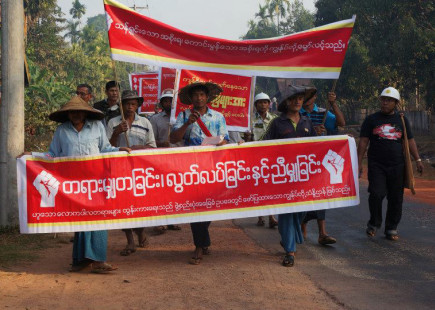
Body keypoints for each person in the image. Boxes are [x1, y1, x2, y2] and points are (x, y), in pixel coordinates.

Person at [47, 96, 130, 273]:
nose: (75, 114)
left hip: (96, 181)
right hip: (74, 184)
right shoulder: (62, 131)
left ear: (85, 113)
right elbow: (52, 155)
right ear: (67, 114)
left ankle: (98, 261)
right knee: (80, 220)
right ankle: (80, 260)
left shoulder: (97, 127)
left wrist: (119, 150)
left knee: (99, 218)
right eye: (71, 112)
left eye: (78, 111)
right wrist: (31, 157)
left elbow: (105, 149)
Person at [170, 82, 229, 265]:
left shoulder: (218, 117)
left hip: (212, 167)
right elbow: (173, 138)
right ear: (191, 99)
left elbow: (224, 140)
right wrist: (188, 123)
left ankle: (204, 241)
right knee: (195, 205)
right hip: (191, 168)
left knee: (210, 204)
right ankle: (199, 245)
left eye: (202, 95)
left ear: (207, 97)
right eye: (195, 95)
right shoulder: (183, 115)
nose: (199, 98)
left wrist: (211, 142)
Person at [357, 87, 423, 241]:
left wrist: (418, 160)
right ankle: (374, 223)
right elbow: (363, 143)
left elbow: (409, 141)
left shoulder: (401, 120)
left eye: (389, 100)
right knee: (376, 194)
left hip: (398, 165)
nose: (385, 103)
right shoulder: (371, 120)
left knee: (396, 198)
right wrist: (359, 162)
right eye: (383, 99)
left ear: (396, 103)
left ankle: (391, 228)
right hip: (377, 164)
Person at [263, 85, 317, 267]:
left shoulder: (307, 122)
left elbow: (318, 147)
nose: (297, 101)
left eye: (300, 98)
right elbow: (263, 146)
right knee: (286, 213)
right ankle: (290, 251)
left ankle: (290, 238)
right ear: (286, 102)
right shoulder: (277, 123)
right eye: (293, 98)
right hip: (283, 176)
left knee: (301, 211)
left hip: (303, 176)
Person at [106, 90, 157, 255]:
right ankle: (129, 240)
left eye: (133, 104)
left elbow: (152, 147)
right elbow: (106, 147)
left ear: (138, 106)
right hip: (119, 170)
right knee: (122, 205)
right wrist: (116, 133)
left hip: (139, 170)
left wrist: (137, 149)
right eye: (127, 103)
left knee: (140, 204)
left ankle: (141, 230)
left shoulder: (145, 122)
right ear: (121, 105)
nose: (130, 107)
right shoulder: (113, 122)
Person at [299, 87, 345, 245]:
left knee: (320, 195)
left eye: (310, 96)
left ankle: (322, 233)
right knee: (304, 195)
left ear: (315, 97)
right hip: (303, 160)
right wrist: (312, 131)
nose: (307, 99)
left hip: (320, 159)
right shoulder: (298, 114)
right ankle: (302, 224)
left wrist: (334, 104)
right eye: (304, 96)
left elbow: (341, 123)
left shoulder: (324, 113)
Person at [149, 89, 182, 232]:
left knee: (175, 190)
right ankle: (159, 221)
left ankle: (173, 220)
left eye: (171, 100)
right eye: (166, 101)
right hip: (161, 158)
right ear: (162, 103)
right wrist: (162, 144)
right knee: (160, 190)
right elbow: (151, 140)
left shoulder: (181, 117)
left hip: (179, 157)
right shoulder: (155, 119)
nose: (169, 103)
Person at [245, 92, 279, 228]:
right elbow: (244, 139)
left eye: (265, 102)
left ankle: (271, 216)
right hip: (255, 157)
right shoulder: (249, 121)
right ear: (255, 105)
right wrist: (247, 138)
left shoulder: (275, 120)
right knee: (259, 187)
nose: (263, 105)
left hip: (271, 157)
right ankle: (260, 216)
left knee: (270, 187)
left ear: (269, 104)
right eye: (260, 102)